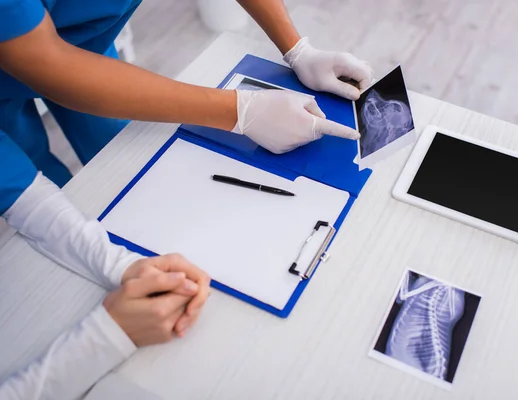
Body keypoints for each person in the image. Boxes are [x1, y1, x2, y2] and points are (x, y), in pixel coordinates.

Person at [0, 0, 373, 398]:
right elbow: (42, 67)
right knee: (49, 199)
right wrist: (238, 111)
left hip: (84, 50)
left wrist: (297, 47)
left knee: (123, 167)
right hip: (33, 62)